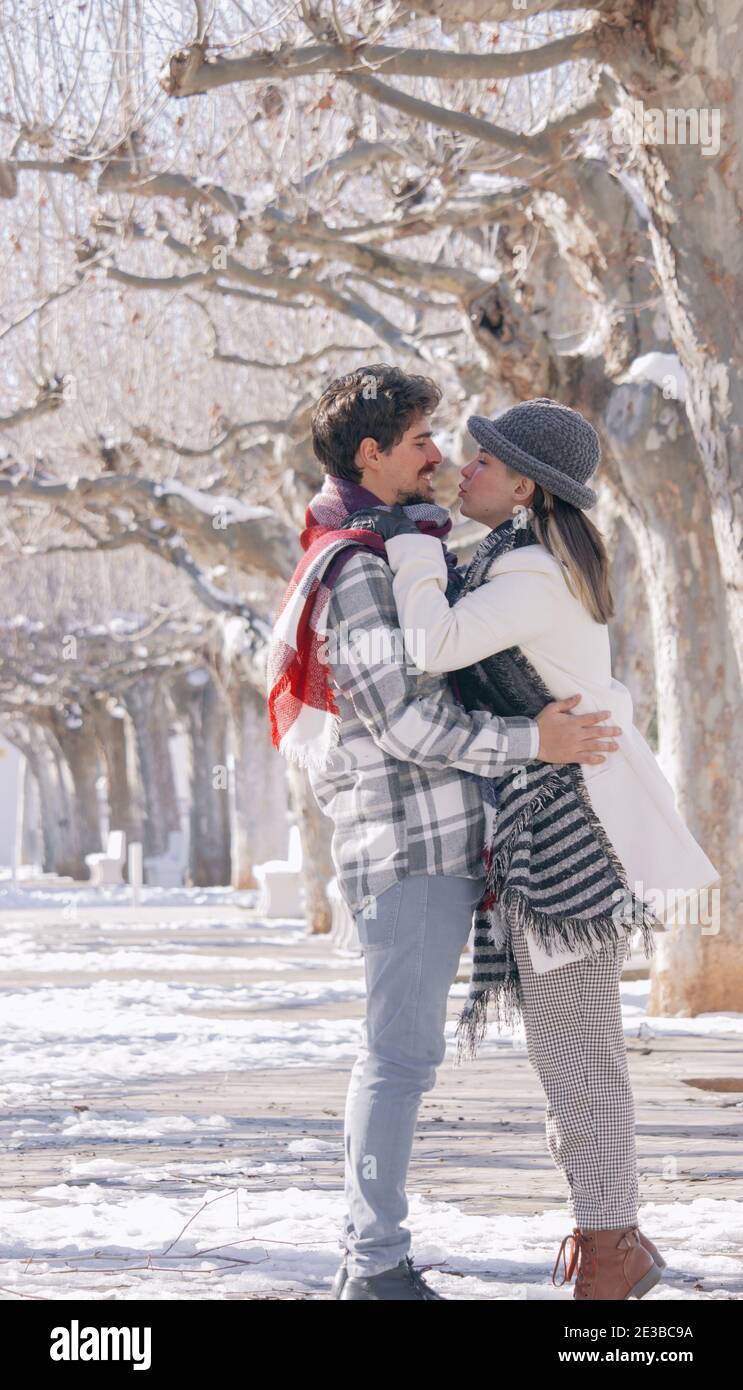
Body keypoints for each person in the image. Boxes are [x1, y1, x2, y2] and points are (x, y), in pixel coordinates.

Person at [342, 396, 720, 1300]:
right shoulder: (514, 558)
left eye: (478, 462)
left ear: (521, 488)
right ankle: (610, 1239)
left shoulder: (535, 573)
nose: (459, 470)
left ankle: (611, 1250)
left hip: (565, 836)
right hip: (542, 821)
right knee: (568, 1051)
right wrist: (424, 531)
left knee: (579, 1050)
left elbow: (431, 643)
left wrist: (405, 539)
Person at [266, 367, 624, 1301]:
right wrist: (531, 740)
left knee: (440, 1055)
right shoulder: (355, 568)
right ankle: (374, 1265)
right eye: (423, 439)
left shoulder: (406, 547)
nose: (440, 455)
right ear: (371, 455)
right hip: (408, 845)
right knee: (397, 1056)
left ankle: (395, 1255)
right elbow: (399, 722)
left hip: (457, 840)